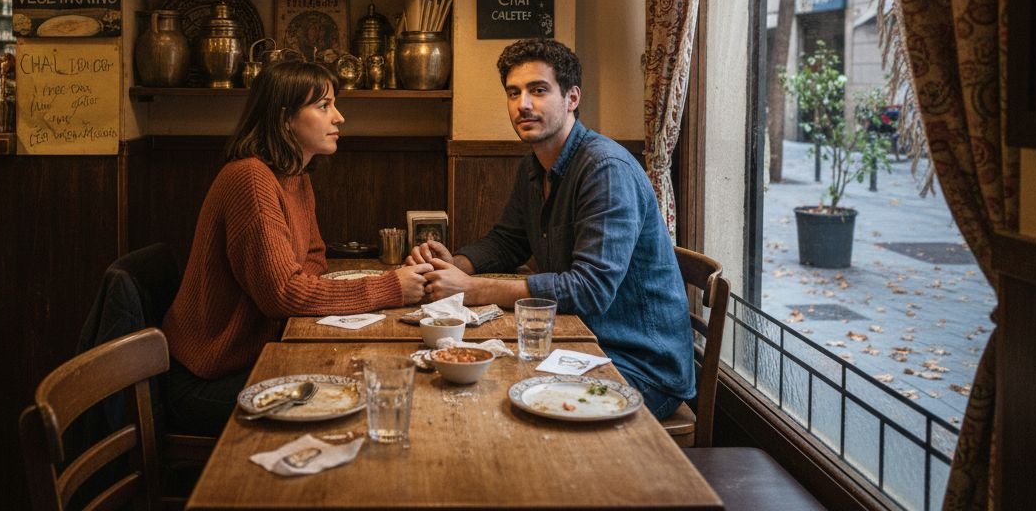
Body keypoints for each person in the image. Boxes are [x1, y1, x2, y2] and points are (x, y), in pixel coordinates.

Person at [407, 39, 695, 419]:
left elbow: (589, 290)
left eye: (538, 90)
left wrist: (472, 289)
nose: (523, 104)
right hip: (578, 342)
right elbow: (508, 241)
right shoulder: (535, 164)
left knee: (491, 402)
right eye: (514, 92)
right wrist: (452, 266)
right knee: (460, 382)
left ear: (572, 98)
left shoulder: (606, 170)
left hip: (639, 365)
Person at [161, 61, 433, 435]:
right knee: (363, 401)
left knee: (366, 382)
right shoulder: (251, 178)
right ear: (284, 118)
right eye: (323, 106)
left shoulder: (294, 176)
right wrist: (391, 287)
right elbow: (284, 295)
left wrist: (304, 287)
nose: (338, 117)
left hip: (254, 358)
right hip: (208, 378)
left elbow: (313, 259)